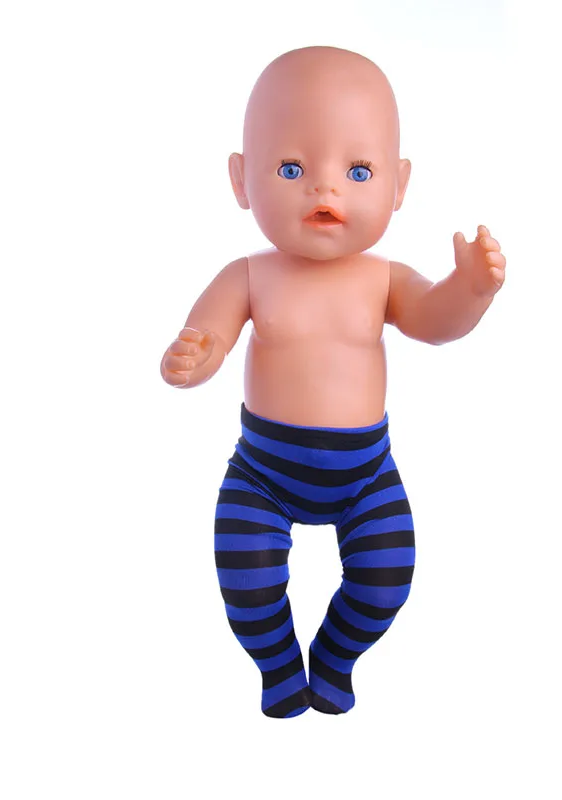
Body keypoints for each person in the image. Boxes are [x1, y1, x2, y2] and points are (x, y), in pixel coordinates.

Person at [160, 46, 506, 717]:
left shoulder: (384, 278)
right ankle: (278, 667)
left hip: (366, 474)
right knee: (247, 582)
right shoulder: (249, 275)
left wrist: (469, 290)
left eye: (358, 171)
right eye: (292, 169)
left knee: (386, 579)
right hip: (262, 473)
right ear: (241, 180)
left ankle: (336, 658)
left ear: (398, 185)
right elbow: (208, 335)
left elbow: (435, 322)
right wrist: (193, 357)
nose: (326, 190)